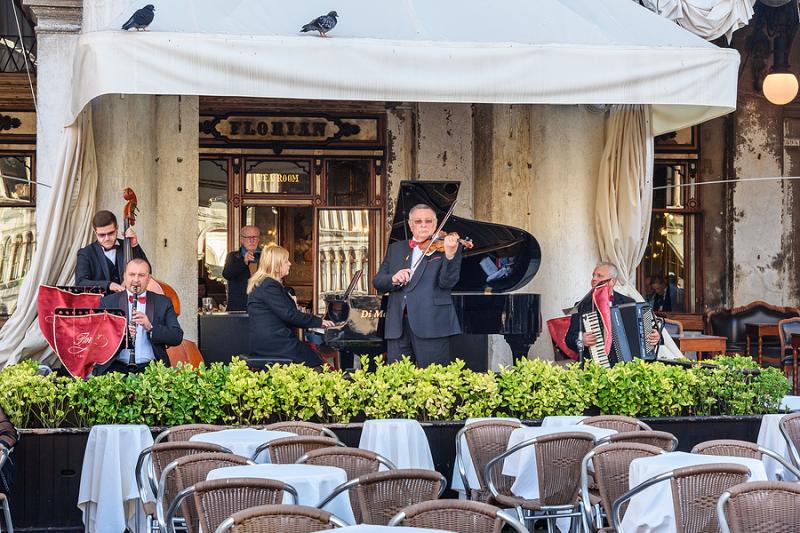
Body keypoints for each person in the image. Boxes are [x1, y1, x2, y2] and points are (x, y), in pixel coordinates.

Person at [372, 204, 463, 367]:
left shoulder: (446, 247)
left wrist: (450, 255)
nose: (423, 224)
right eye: (418, 221)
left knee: (433, 378)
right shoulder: (396, 248)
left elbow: (447, 282)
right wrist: (393, 278)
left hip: (431, 322)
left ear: (435, 224)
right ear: (410, 224)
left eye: (428, 221)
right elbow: (378, 281)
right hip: (397, 325)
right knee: (397, 379)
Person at [247, 244, 335, 367]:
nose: (290, 264)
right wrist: (319, 322)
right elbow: (289, 314)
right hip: (275, 343)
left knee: (312, 354)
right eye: (286, 261)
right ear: (276, 266)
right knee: (315, 361)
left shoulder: (265, 283)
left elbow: (286, 313)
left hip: (271, 341)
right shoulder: (269, 285)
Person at [95, 258, 183, 375]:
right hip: (115, 368)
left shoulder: (163, 302)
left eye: (141, 275)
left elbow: (176, 337)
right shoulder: (108, 302)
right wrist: (122, 335)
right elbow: (97, 338)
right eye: (132, 274)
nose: (136, 280)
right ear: (125, 276)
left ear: (149, 278)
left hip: (152, 370)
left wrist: (151, 328)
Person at [565, 262, 660, 365]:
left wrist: (656, 336)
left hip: (625, 368)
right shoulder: (583, 305)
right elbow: (569, 339)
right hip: (594, 366)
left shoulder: (629, 302)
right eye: (593, 275)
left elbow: (648, 332)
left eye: (599, 276)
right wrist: (581, 339)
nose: (594, 279)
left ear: (612, 281)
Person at [75, 210, 148, 293]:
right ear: (95, 232)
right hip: (102, 304)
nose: (107, 238)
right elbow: (80, 282)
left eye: (111, 233)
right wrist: (108, 285)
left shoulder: (128, 245)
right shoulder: (86, 253)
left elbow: (147, 271)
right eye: (102, 235)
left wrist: (134, 246)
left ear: (117, 228)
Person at [223, 225, 262, 311]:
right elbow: (227, 274)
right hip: (239, 308)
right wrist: (244, 262)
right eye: (248, 237)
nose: (252, 241)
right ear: (241, 239)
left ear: (259, 239)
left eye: (255, 237)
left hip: (261, 308)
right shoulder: (233, 256)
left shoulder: (265, 257)